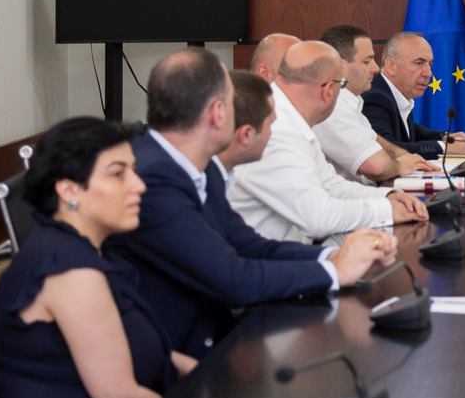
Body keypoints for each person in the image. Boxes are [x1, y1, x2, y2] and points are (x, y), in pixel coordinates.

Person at [107, 52, 397, 357]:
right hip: (177, 357)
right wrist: (335, 272)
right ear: (218, 113)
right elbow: (233, 279)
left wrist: (334, 256)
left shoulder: (201, 168)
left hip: (216, 337)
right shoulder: (153, 178)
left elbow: (251, 246)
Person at [0, 117, 195, 398]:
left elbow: (133, 344)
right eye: (118, 174)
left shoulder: (84, 247)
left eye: (133, 170)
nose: (139, 185)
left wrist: (202, 377)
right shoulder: (70, 272)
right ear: (70, 190)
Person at [231, 41, 428, 242]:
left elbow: (331, 185)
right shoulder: (276, 128)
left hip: (292, 250)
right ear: (328, 90)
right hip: (269, 256)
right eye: (341, 86)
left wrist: (387, 196)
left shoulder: (292, 119)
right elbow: (317, 218)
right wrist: (386, 210)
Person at [314, 24, 437, 183]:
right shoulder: (333, 107)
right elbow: (377, 167)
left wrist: (406, 157)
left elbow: (380, 143)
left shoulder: (353, 102)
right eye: (367, 61)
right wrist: (400, 165)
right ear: (341, 66)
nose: (376, 68)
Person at [363, 31, 465, 159]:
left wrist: (445, 137)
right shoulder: (374, 97)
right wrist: (443, 147)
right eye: (419, 63)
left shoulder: (394, 93)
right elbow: (387, 150)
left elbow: (410, 131)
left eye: (430, 64)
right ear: (391, 65)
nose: (428, 73)